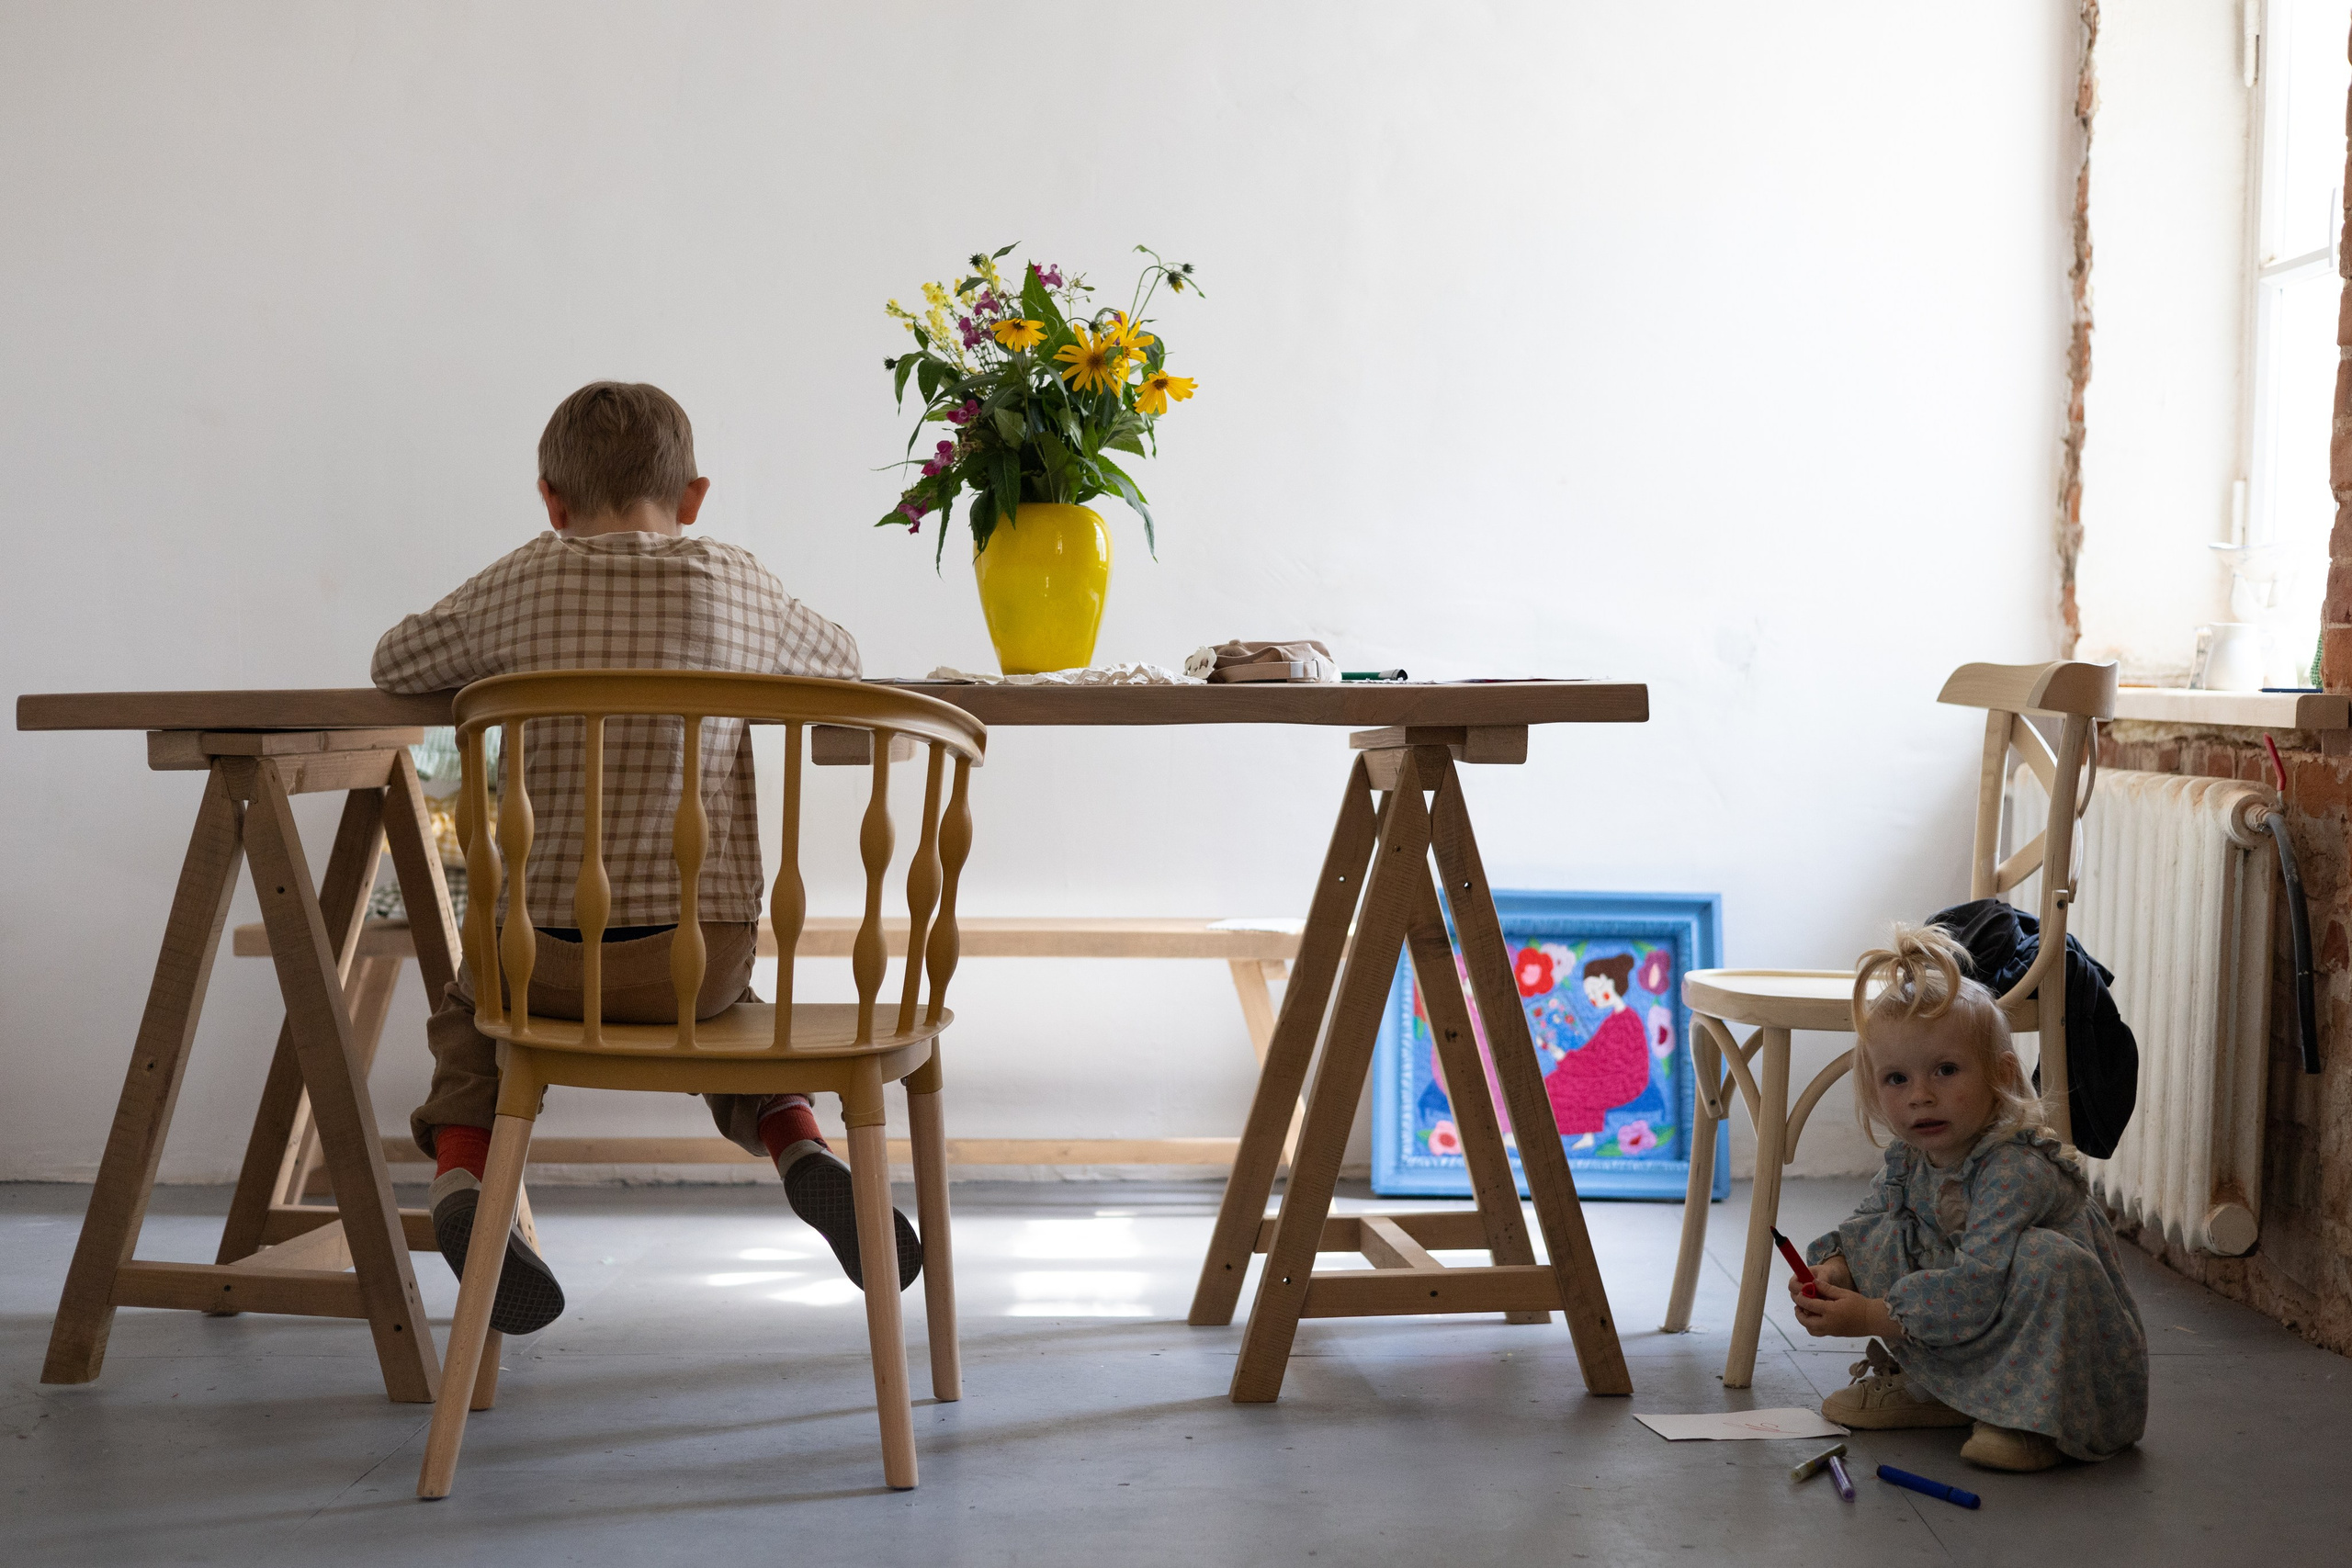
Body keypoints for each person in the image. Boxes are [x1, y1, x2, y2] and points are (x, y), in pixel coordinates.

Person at [371, 380, 921, 1337]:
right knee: (727, 1011)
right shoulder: (737, 582)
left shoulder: (518, 582)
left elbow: (395, 665)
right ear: (694, 497)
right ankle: (797, 1143)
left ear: (550, 500)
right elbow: (843, 659)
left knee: (471, 1017)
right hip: (695, 961)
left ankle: (462, 1174)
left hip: (534, 965)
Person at [1790, 922, 2148, 1472]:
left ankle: (2034, 1419)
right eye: (1896, 1079)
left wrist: (1872, 1314)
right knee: (1883, 1230)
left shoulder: (2013, 1166)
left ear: (1999, 1075)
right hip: (1975, 1316)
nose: (1921, 1097)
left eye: (1946, 1070)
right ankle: (1944, 1392)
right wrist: (1834, 1267)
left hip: (2074, 1368)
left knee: (2039, 1261)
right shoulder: (1912, 1158)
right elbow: (1868, 1220)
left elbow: (1979, 1289)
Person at [1543, 954, 1652, 1149]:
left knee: (1568, 1087)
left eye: (1595, 991)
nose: (1593, 999)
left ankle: (1552, 1133)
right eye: (1589, 995)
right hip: (1610, 1074)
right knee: (1554, 1080)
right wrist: (1562, 1055)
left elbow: (1606, 1063)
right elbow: (1592, 1051)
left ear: (1608, 982)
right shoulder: (1612, 1020)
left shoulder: (1627, 1020)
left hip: (1625, 1080)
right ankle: (1586, 1134)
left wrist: (1567, 1061)